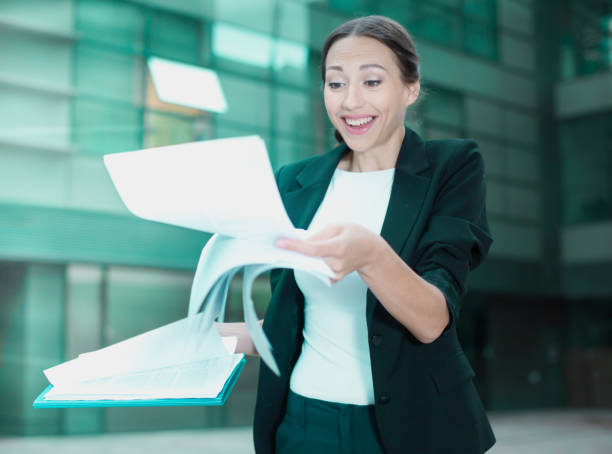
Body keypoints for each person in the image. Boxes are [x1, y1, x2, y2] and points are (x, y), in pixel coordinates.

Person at [217, 15, 496, 454]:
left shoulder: (452, 167)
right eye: (335, 83)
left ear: (410, 88)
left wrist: (369, 257)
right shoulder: (295, 181)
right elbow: (288, 324)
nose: (350, 102)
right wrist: (206, 339)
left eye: (371, 82)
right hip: (304, 422)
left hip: (410, 427)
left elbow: (431, 320)